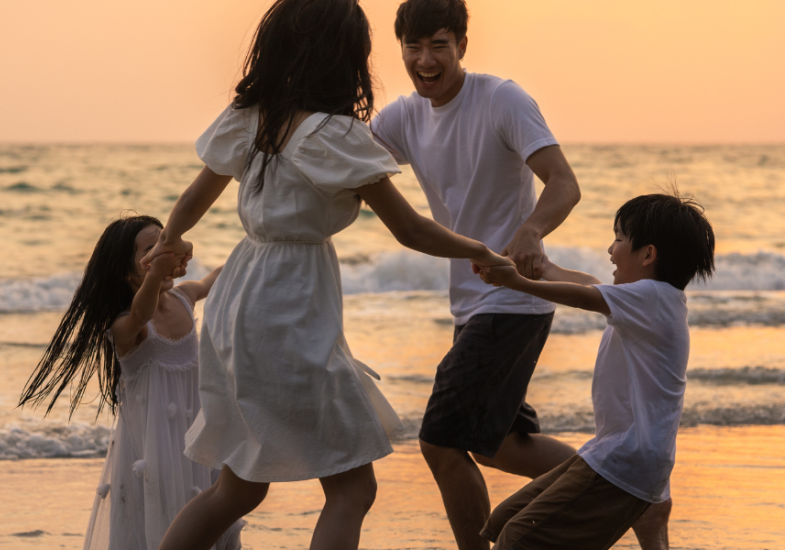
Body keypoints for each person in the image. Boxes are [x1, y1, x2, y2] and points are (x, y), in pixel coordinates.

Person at [146, 1, 512, 549]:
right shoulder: (334, 135)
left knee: (239, 487)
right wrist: (481, 249)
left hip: (239, 298)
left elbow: (198, 193)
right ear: (344, 57)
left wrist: (171, 240)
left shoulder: (254, 115)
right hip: (290, 304)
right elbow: (410, 229)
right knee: (351, 487)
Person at [369, 1, 582, 548]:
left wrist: (532, 230)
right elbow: (341, 164)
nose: (425, 59)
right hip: (472, 303)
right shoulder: (401, 117)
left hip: (515, 299)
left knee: (440, 441)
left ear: (462, 44)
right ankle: (622, 488)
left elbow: (562, 182)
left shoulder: (501, 99)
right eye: (413, 47)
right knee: (502, 445)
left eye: (439, 44)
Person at [475, 192, 715, 549]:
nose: (610, 249)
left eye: (619, 239)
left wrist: (515, 282)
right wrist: (538, 266)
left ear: (648, 255)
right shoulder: (651, 301)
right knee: (503, 522)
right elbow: (586, 284)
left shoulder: (652, 297)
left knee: (517, 538)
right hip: (611, 453)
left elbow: (583, 296)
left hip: (624, 462)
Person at [18, 215, 243, 550]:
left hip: (197, 443)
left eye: (165, 243)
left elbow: (218, 278)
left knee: (212, 520)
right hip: (153, 455)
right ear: (128, 273)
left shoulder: (184, 298)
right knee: (158, 527)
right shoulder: (125, 326)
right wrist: (159, 268)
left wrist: (259, 243)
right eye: (151, 250)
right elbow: (141, 312)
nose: (164, 252)